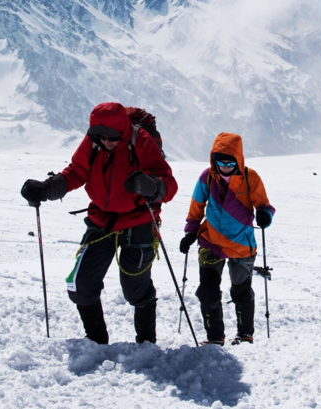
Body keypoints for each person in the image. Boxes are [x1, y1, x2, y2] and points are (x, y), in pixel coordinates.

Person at [20, 102, 178, 345]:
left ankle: (146, 345)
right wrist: (47, 189)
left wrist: (153, 186)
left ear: (122, 132)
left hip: (138, 221)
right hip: (101, 221)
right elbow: (76, 172)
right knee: (81, 284)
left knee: (135, 288)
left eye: (112, 138)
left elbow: (169, 184)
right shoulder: (93, 142)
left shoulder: (141, 141)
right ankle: (96, 343)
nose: (106, 142)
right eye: (100, 137)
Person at [179, 133, 275, 346]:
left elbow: (264, 205)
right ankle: (215, 337)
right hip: (210, 241)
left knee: (240, 290)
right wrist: (190, 233)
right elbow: (196, 207)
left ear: (238, 160)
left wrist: (264, 215)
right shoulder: (207, 177)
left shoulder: (250, 178)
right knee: (208, 290)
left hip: (241, 244)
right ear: (213, 160)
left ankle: (245, 334)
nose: (225, 166)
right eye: (220, 162)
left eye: (230, 162)